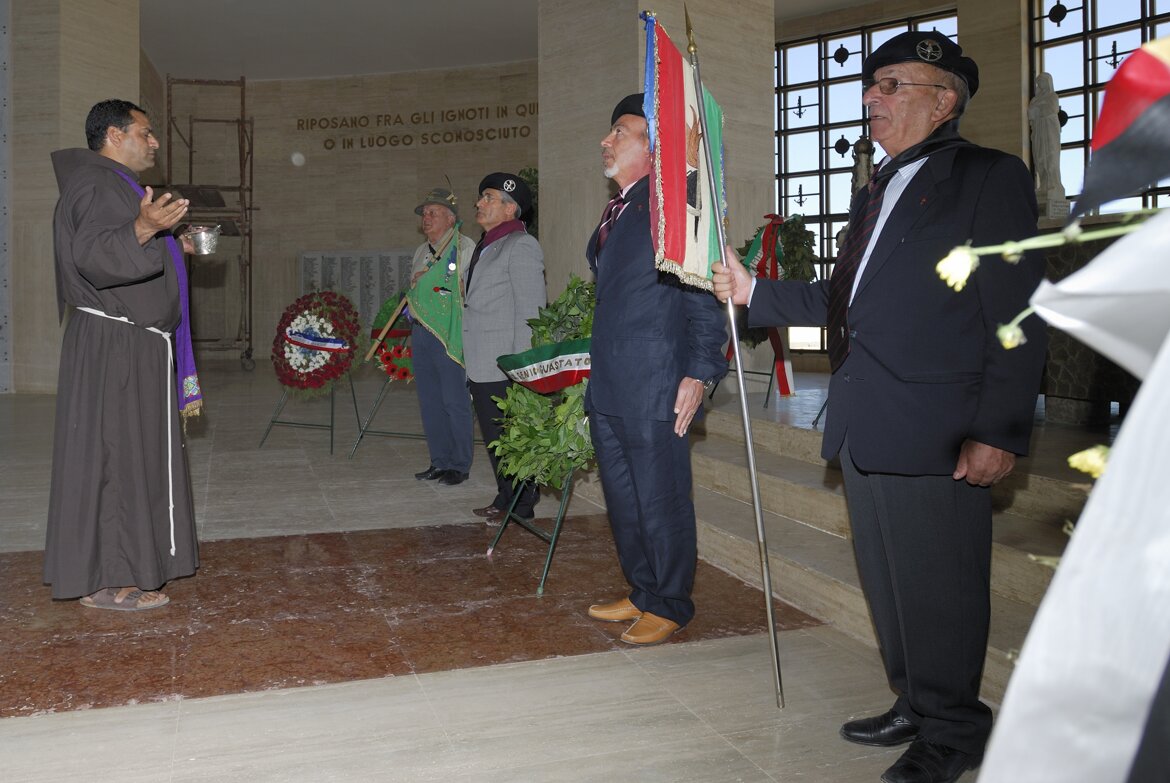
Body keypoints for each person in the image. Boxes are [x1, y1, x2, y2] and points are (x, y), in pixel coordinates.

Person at [714, 32, 1046, 783]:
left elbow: (1018, 314)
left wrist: (998, 430)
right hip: (866, 422)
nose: (873, 96)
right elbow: (844, 303)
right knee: (892, 585)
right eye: (872, 84)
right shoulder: (876, 190)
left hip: (940, 428)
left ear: (944, 98)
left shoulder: (988, 178)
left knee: (941, 587)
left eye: (893, 84)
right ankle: (915, 701)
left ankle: (956, 730)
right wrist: (750, 290)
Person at [46, 99, 202, 610]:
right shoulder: (96, 183)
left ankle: (132, 563)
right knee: (115, 455)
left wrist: (170, 245)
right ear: (114, 134)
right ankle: (111, 580)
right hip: (115, 345)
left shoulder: (115, 184)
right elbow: (91, 255)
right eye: (146, 132)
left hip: (133, 343)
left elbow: (124, 251)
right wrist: (144, 229)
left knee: (130, 453)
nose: (154, 142)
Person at [584, 94, 728, 646]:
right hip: (612, 382)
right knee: (623, 495)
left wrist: (699, 371)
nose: (606, 140)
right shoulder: (622, 207)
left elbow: (700, 296)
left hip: (656, 381)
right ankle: (643, 589)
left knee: (660, 494)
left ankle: (670, 602)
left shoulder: (675, 205)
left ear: (652, 146)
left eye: (618, 131)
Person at [461, 172, 545, 524]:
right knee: (497, 439)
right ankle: (506, 496)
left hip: (504, 365)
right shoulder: (488, 244)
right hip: (483, 360)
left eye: (489, 198)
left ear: (511, 208)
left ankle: (522, 504)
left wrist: (521, 368)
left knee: (510, 437)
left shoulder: (521, 245)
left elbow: (530, 312)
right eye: (481, 197)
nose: (480, 203)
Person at [406, 188, 475, 486]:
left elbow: (465, 291)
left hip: (449, 334)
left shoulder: (465, 248)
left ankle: (458, 464)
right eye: (424, 213)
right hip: (421, 333)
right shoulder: (421, 252)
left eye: (433, 213)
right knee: (430, 401)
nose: (426, 218)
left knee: (454, 401)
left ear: (451, 218)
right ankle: (439, 460)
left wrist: (436, 286)